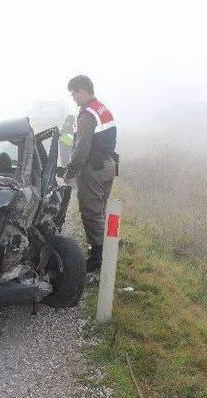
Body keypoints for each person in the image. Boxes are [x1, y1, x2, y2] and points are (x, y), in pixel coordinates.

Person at [63, 75, 118, 272]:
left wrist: (70, 171)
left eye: (74, 93)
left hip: (93, 169)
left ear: (83, 90)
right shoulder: (103, 109)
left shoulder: (87, 114)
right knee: (100, 209)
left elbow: (81, 149)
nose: (73, 97)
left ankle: (98, 257)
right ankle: (107, 249)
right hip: (109, 165)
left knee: (91, 211)